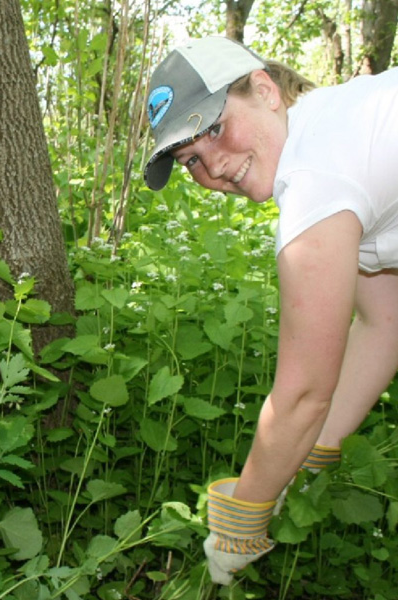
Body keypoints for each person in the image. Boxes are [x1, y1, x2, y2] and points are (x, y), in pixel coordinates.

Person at [144, 36, 398, 585]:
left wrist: (243, 517)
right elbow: (385, 323)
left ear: (265, 90)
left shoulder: (317, 183)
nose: (212, 164)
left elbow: (304, 393)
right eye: (190, 159)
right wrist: (298, 462)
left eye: (212, 127)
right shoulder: (345, 133)